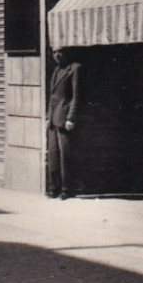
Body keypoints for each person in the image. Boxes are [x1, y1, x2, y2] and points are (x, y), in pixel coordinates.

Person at [47, 47, 82, 199]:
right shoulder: (56, 70)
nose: (57, 55)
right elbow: (52, 97)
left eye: (60, 52)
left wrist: (71, 118)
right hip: (53, 119)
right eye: (54, 52)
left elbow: (76, 96)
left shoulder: (74, 69)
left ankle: (67, 189)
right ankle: (54, 187)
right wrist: (48, 116)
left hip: (64, 119)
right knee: (53, 154)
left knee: (65, 155)